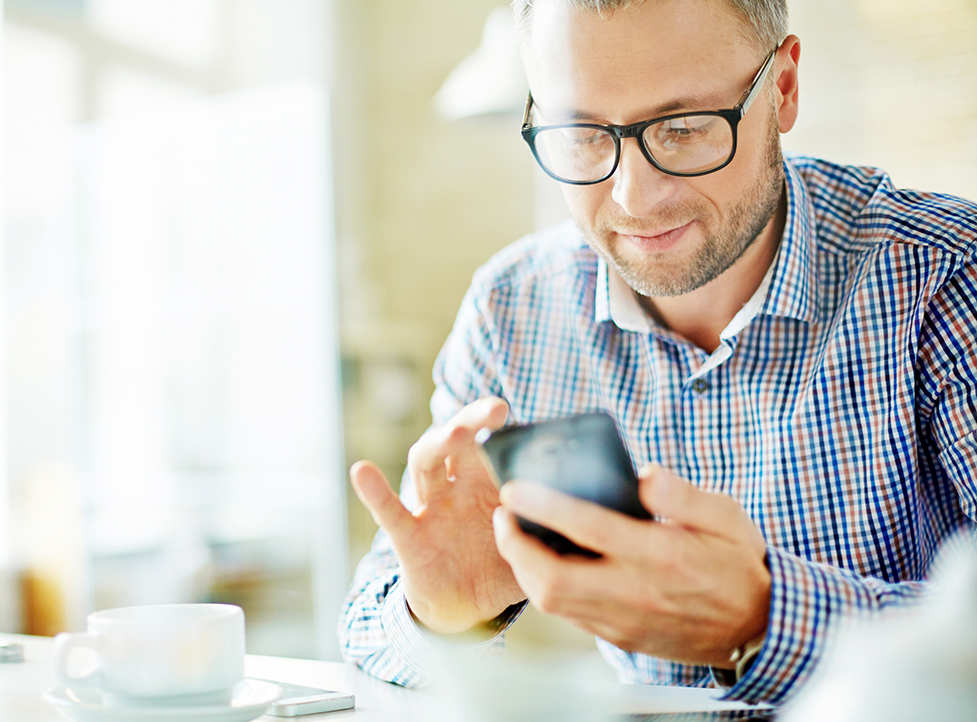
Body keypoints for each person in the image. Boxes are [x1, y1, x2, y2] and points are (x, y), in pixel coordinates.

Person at [338, 0, 977, 706]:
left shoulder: (947, 279)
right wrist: (444, 616)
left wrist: (762, 618)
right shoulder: (511, 308)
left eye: (683, 129)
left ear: (784, 89)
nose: (634, 197)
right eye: (581, 135)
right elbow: (370, 627)